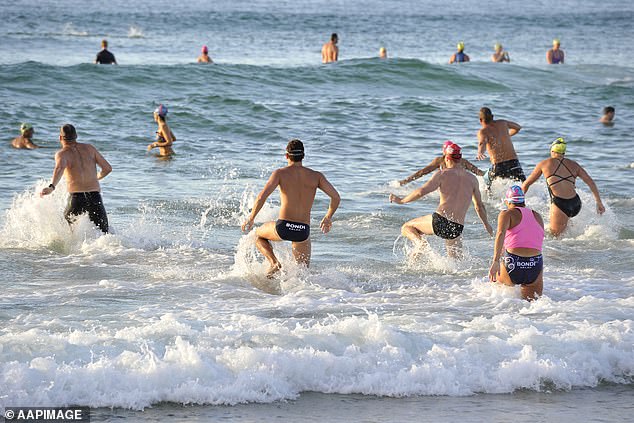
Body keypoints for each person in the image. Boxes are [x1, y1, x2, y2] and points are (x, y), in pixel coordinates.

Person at [242, 139, 340, 277]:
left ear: (286, 156)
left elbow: (260, 198)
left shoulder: (280, 173)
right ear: (303, 156)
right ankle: (302, 297)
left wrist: (251, 218)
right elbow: (336, 197)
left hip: (283, 227)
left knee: (257, 235)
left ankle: (274, 263)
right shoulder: (316, 176)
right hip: (303, 232)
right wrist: (328, 217)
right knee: (302, 274)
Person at [389, 143, 492, 258]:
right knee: (456, 262)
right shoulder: (473, 179)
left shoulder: (442, 174)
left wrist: (401, 201)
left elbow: (421, 192)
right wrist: (486, 224)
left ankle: (420, 244)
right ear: (460, 158)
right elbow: (479, 206)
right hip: (457, 227)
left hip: (440, 221)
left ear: (447, 158)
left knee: (407, 227)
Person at [522, 137, 605, 236]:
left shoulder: (544, 164)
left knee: (555, 237)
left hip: (560, 204)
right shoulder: (574, 165)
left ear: (552, 150)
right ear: (563, 152)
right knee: (568, 232)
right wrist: (599, 203)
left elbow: (526, 184)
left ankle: (566, 251)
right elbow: (591, 182)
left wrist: (519, 203)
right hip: (576, 203)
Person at [40, 124, 112, 233]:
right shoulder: (90, 148)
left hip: (77, 199)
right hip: (95, 198)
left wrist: (51, 187)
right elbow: (107, 168)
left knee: (67, 232)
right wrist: (96, 178)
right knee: (104, 233)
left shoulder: (62, 154)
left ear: (60, 138)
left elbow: (59, 168)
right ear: (76, 136)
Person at [489, 185, 545, 301]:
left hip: (513, 262)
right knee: (533, 308)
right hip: (535, 264)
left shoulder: (506, 214)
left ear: (507, 201)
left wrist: (495, 261)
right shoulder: (537, 216)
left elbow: (500, 234)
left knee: (499, 300)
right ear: (523, 201)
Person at [399, 140, 484, 186]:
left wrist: (405, 181)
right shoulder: (442, 161)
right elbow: (422, 172)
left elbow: (422, 172)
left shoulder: (460, 161)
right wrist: (406, 181)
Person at [477, 107, 525, 187]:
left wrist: (480, 152)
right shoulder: (503, 123)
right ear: (492, 117)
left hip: (499, 166)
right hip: (514, 163)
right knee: (523, 186)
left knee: (490, 190)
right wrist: (507, 135)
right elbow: (518, 127)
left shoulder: (483, 131)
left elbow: (482, 143)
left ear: (480, 120)